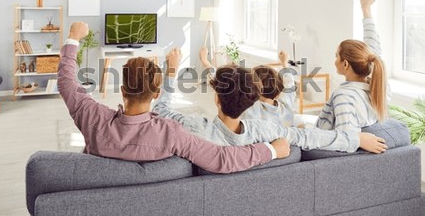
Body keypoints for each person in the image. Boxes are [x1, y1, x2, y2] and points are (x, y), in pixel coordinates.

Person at [57, 22, 290, 174]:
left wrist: (73, 37)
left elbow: (66, 82)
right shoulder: (172, 132)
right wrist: (271, 151)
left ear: (122, 88)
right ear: (156, 93)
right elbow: (222, 158)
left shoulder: (93, 118)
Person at [153, 49, 387, 154]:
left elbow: (161, 109)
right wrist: (354, 138)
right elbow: (308, 136)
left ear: (216, 97)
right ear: (251, 97)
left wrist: (171, 70)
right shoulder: (268, 132)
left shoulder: (195, 128)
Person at [315, 0, 388, 132]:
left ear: (345, 64)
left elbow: (346, 139)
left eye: (336, 56)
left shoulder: (343, 96)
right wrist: (366, 9)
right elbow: (373, 47)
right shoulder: (380, 88)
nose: (335, 61)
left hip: (320, 141)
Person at [200, 47, 296, 127]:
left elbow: (224, 81)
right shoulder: (286, 105)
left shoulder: (250, 109)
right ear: (279, 92)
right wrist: (284, 63)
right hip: (289, 145)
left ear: (253, 90)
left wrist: (205, 61)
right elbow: (289, 84)